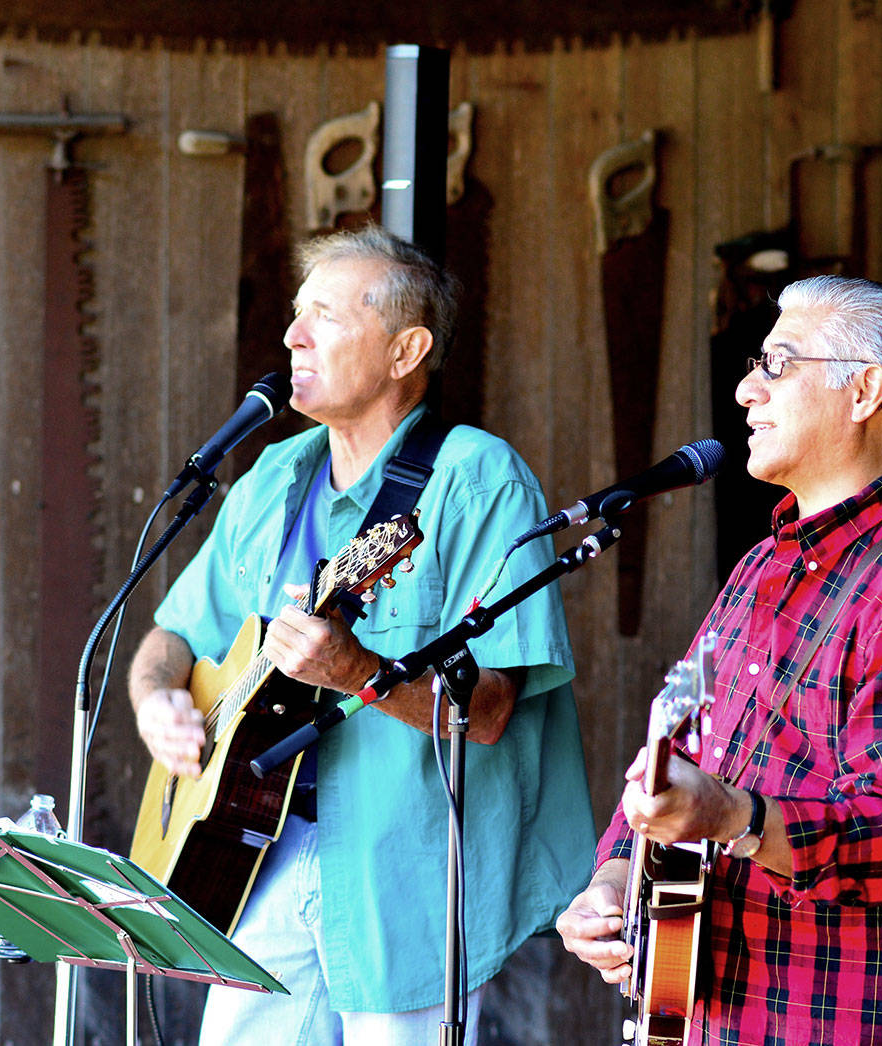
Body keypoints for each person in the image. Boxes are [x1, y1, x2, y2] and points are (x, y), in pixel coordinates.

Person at [129, 225, 595, 1045]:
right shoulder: (274, 476)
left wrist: (356, 670)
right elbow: (172, 635)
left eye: (327, 316)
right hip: (256, 860)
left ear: (406, 351)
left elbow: (490, 711)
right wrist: (155, 699)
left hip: (404, 879)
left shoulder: (476, 480)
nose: (292, 336)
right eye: (296, 313)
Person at [557, 275, 882, 1045]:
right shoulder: (761, 566)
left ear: (865, 391)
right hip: (721, 1015)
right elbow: (679, 751)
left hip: (853, 1020)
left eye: (776, 365)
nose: (746, 391)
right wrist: (613, 877)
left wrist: (728, 816)